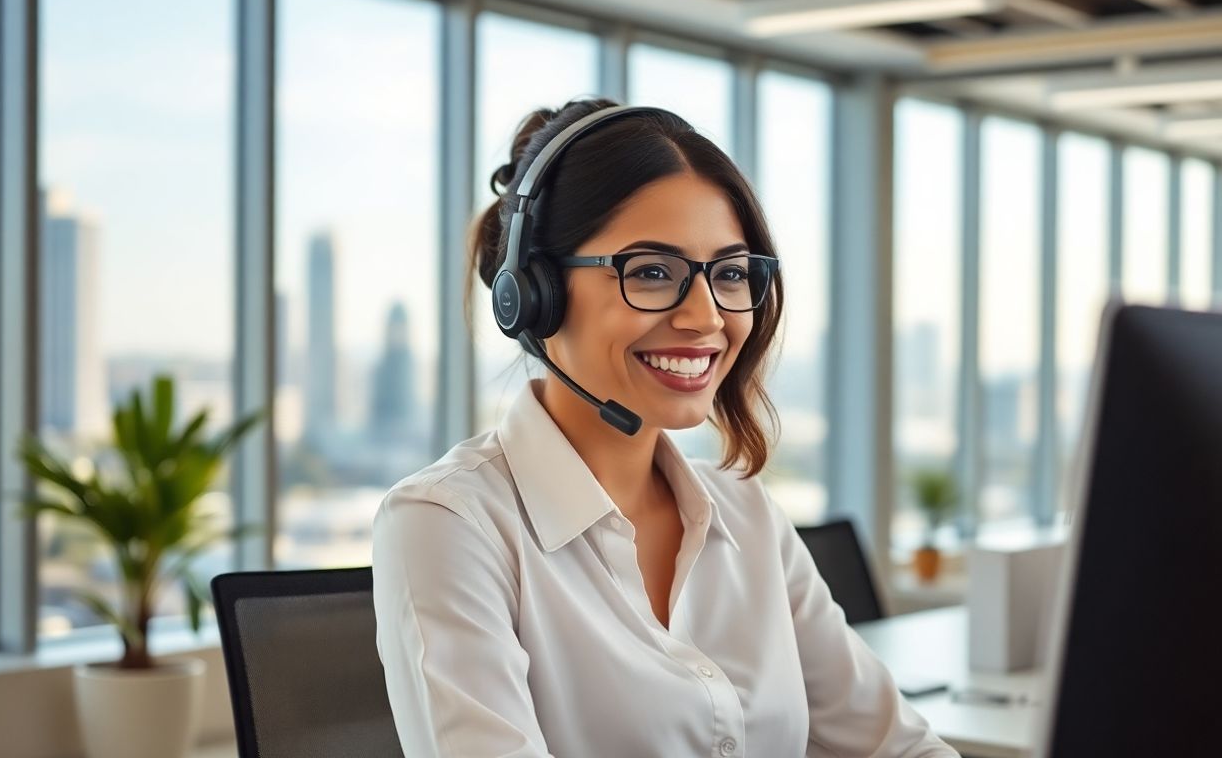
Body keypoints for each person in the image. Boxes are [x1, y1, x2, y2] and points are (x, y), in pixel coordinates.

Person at [371, 97, 958, 758]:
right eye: (653, 272)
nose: (705, 316)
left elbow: (896, 746)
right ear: (534, 293)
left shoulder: (747, 517)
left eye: (730, 274)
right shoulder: (451, 522)